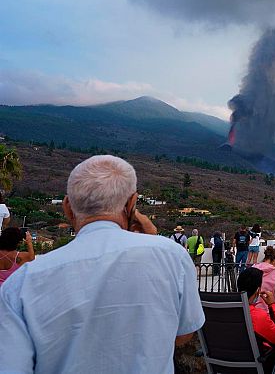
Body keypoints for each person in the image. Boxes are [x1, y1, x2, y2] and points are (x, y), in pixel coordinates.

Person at [0, 155, 204, 373]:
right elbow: (183, 335)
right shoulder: (172, 256)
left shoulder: (21, 284)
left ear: (68, 207)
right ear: (132, 204)